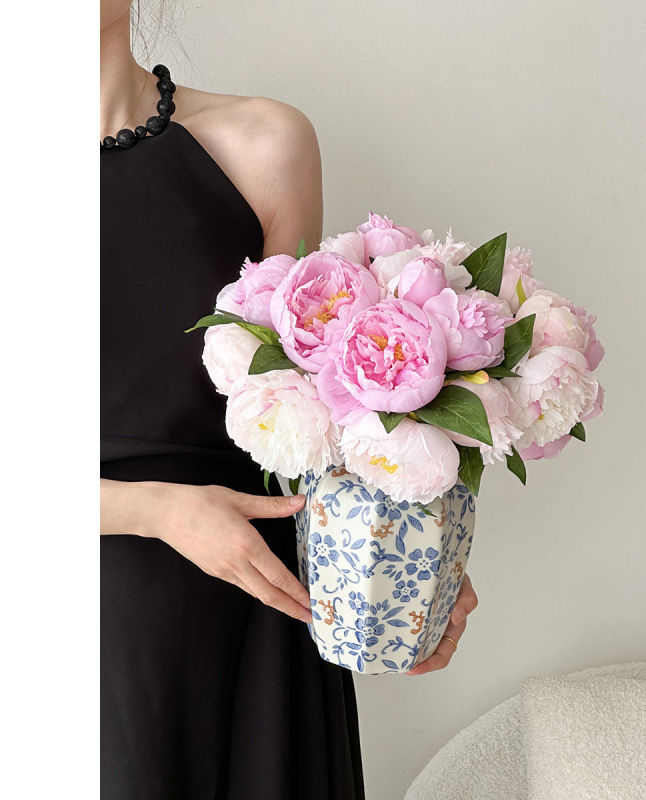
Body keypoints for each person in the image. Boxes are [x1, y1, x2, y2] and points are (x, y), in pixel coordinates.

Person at [99, 1, 479, 797]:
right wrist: (158, 511)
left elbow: (312, 409)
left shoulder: (265, 143)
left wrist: (416, 555)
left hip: (258, 617)